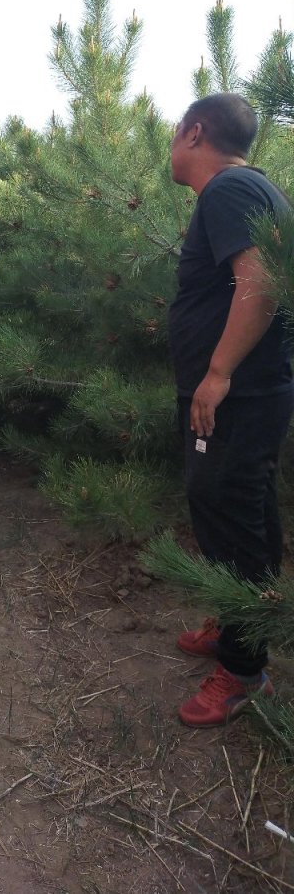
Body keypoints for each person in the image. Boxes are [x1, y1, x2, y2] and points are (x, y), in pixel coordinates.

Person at [167, 93, 293, 728]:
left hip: (236, 397)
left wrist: (216, 375)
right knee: (233, 512)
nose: (170, 145)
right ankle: (236, 623)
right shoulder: (254, 190)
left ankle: (245, 672)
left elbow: (262, 282)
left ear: (195, 133)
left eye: (174, 132)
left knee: (232, 516)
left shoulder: (229, 191)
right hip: (247, 395)